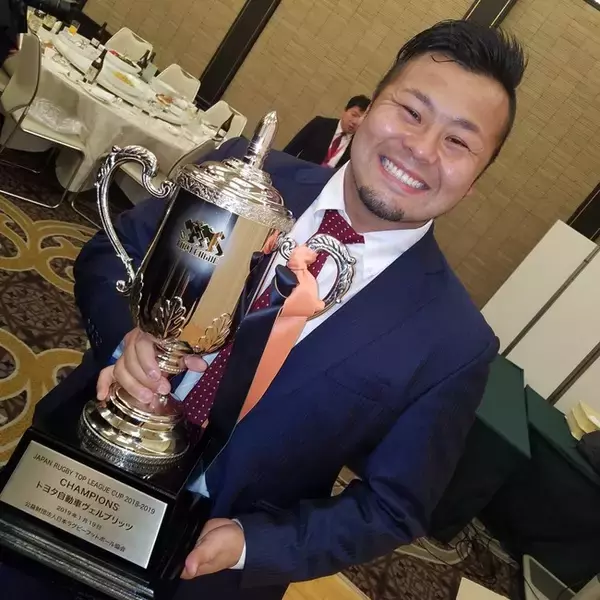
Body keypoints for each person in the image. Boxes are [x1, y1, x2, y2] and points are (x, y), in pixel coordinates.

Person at [3, 19, 526, 600]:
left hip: (209, 567)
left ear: (474, 180)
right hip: (74, 465)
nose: (422, 149)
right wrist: (126, 339)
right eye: (411, 111)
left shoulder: (454, 341)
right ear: (366, 110)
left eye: (459, 142)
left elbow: (393, 507)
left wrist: (254, 544)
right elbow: (110, 253)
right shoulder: (245, 172)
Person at [283, 94, 370, 168]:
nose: (355, 122)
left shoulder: (358, 147)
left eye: (361, 120)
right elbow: (291, 149)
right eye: (354, 115)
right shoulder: (320, 124)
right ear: (345, 110)